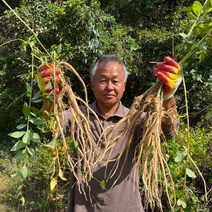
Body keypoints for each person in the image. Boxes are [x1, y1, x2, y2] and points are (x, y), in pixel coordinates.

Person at [37, 55, 182, 211]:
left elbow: (168, 132)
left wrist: (168, 97)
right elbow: (48, 130)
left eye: (115, 81)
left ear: (124, 85)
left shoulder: (136, 120)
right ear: (92, 85)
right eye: (103, 80)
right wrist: (48, 98)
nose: (109, 87)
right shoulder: (77, 116)